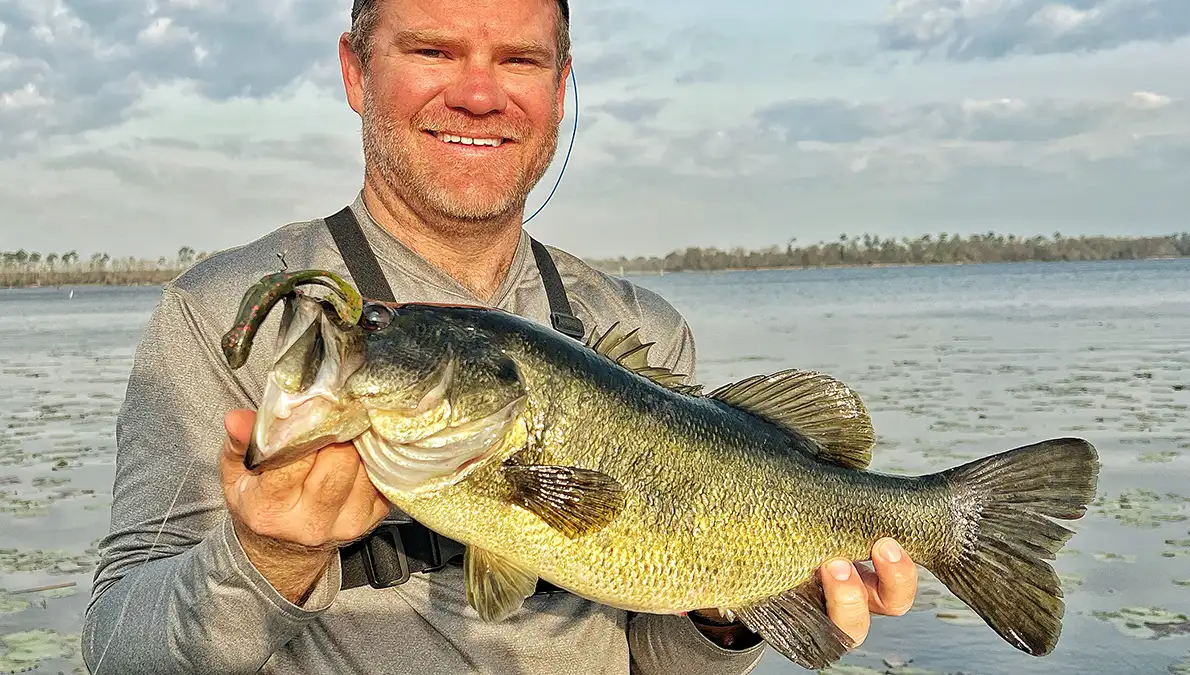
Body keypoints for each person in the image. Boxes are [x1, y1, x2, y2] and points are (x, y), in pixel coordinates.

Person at [81, 0, 919, 672]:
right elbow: (119, 649)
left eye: (519, 60)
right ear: (355, 72)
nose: (479, 94)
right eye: (434, 52)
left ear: (559, 88)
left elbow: (659, 657)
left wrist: (730, 616)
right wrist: (264, 555)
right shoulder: (217, 313)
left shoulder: (641, 328)